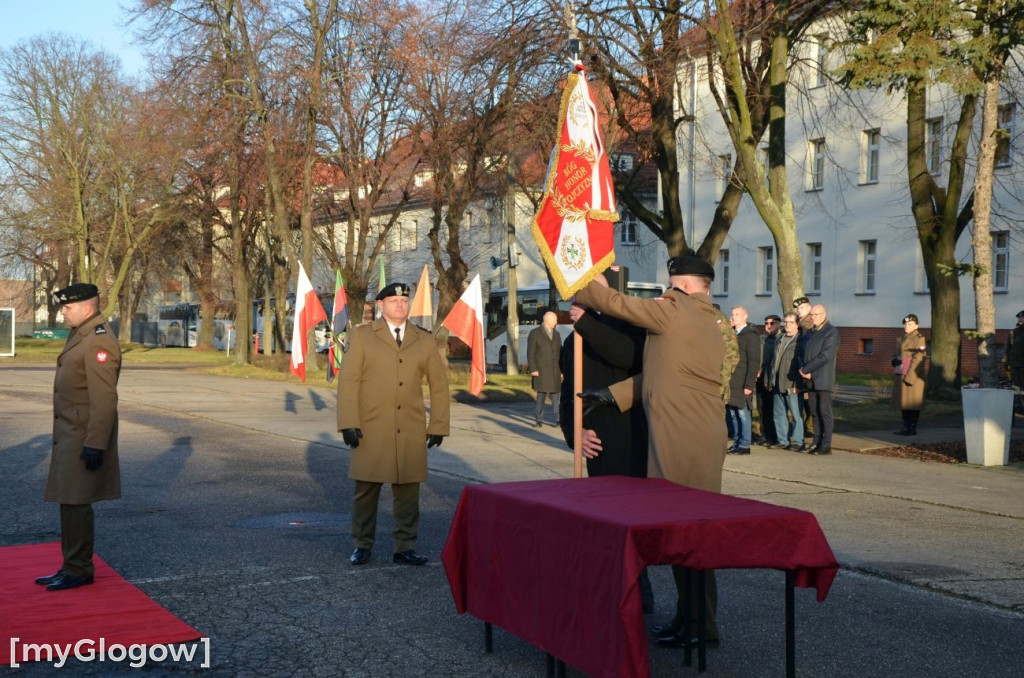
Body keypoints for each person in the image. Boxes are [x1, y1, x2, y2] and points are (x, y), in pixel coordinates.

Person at [575, 255, 733, 649]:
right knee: (685, 535)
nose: (669, 288)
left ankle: (702, 625)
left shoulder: (676, 310)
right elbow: (664, 373)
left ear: (684, 284)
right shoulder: (708, 318)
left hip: (685, 438)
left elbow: (617, 304)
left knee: (690, 535)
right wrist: (612, 395)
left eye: (673, 281)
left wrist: (577, 279)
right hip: (694, 433)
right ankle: (689, 617)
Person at [337, 282, 450, 567]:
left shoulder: (423, 339)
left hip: (410, 428)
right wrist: (349, 422)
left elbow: (439, 385)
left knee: (408, 492)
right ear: (380, 305)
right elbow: (348, 382)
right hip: (371, 427)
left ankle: (404, 547)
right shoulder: (363, 336)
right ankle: (362, 545)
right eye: (393, 300)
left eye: (403, 299)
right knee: (366, 490)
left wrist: (438, 424)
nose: (400, 304)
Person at [557, 289, 653, 612]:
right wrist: (576, 433)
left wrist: (587, 325)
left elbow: (626, 356)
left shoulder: (629, 325)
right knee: (604, 524)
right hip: (598, 446)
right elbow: (569, 397)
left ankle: (640, 591)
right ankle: (607, 592)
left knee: (634, 523)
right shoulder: (572, 343)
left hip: (634, 441)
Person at [36, 283, 121, 591]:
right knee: (69, 502)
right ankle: (71, 565)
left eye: (67, 307)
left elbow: (104, 399)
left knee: (76, 503)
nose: (63, 311)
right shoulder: (81, 334)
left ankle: (80, 569)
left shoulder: (99, 342)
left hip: (84, 436)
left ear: (87, 308)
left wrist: (95, 444)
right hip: (71, 432)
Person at [798, 305, 839, 455]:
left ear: (824, 314)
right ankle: (816, 441)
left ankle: (825, 444)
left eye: (816, 314)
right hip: (809, 379)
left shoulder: (831, 332)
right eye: (811, 315)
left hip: (822, 378)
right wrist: (803, 368)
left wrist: (807, 369)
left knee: (824, 412)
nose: (812, 317)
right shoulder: (810, 332)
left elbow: (825, 356)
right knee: (814, 412)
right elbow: (802, 352)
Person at [726, 307, 760, 455]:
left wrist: (749, 384)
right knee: (732, 414)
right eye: (732, 314)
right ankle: (737, 442)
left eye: (737, 314)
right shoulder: (733, 334)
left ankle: (745, 444)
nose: (733, 317)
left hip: (742, 381)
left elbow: (754, 361)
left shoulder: (750, 335)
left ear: (745, 316)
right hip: (731, 381)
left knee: (742, 413)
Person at [772, 313, 805, 451]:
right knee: (779, 413)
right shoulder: (779, 338)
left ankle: (798, 441)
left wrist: (798, 383)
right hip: (777, 381)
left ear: (797, 324)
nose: (787, 325)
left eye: (791, 322)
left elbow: (802, 363)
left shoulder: (801, 340)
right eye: (786, 322)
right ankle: (783, 440)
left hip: (792, 382)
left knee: (796, 414)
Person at [892, 314, 928, 435]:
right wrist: (894, 360)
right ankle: (905, 427)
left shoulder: (919, 338)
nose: (906, 326)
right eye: (905, 324)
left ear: (916, 325)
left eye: (910, 324)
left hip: (913, 375)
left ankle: (911, 428)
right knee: (904, 402)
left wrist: (910, 378)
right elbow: (897, 353)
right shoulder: (902, 338)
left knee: (912, 403)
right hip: (902, 371)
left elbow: (919, 358)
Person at [528, 311, 562, 427]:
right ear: (548, 320)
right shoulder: (535, 333)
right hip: (541, 370)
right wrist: (533, 369)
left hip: (555, 370)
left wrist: (562, 370)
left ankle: (558, 419)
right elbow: (531, 353)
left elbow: (560, 353)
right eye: (555, 320)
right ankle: (539, 419)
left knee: (557, 396)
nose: (557, 322)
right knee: (541, 395)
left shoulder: (557, 334)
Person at [756, 314, 782, 447]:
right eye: (766, 323)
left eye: (772, 323)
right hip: (760, 378)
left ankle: (774, 437)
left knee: (772, 409)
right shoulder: (762, 339)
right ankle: (764, 435)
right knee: (761, 408)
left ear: (778, 324)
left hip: (772, 379)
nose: (768, 326)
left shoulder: (780, 339)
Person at [1005, 310, 1024, 414]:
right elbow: (1008, 347)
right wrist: (1006, 361)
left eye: (1022, 318)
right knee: (1016, 387)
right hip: (1014, 364)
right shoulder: (1013, 332)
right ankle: (1018, 405)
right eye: (1019, 318)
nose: (1020, 319)